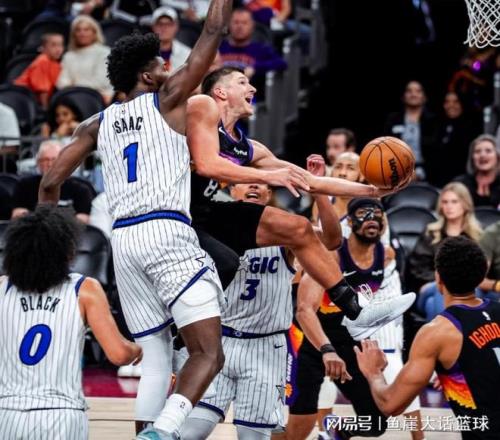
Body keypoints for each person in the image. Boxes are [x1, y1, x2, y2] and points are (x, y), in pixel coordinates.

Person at [36, 1, 298, 437]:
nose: (169, 68)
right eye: (162, 64)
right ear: (147, 76)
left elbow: (49, 182)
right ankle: (164, 432)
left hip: (123, 242)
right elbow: (212, 33)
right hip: (165, 231)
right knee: (209, 353)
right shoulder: (169, 98)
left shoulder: (94, 124)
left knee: (156, 360)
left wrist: (47, 249)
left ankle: (147, 433)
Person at [187, 65, 415, 343]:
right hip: (173, 214)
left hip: (203, 213)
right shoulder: (200, 113)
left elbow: (311, 181)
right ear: (221, 92)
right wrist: (269, 176)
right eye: (242, 82)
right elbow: (207, 164)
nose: (253, 88)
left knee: (299, 227)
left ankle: (355, 311)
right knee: (227, 263)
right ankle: (182, 327)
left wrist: (373, 191)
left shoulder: (248, 147)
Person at [180, 155, 342, 440]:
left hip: (265, 346)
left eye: (260, 182)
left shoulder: (287, 232)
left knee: (252, 435)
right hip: (218, 340)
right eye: (247, 180)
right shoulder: (212, 228)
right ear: (233, 188)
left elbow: (331, 240)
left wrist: (318, 191)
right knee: (191, 431)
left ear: (269, 191)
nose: (254, 186)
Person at [0, 205, 142, 439]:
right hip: (62, 416)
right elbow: (119, 355)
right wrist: (137, 349)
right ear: (67, 251)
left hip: (7, 414)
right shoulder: (85, 289)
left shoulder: (3, 288)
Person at [284, 198, 417, 440]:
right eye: (364, 213)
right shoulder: (332, 255)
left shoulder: (386, 255)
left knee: (376, 422)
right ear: (350, 221)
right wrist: (326, 350)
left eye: (377, 213)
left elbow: (374, 306)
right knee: (298, 431)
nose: (372, 218)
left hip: (348, 342)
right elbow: (304, 311)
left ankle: (335, 431)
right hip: (311, 341)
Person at [355, 236, 500, 440]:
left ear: (438, 278)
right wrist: (460, 371)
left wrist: (374, 373)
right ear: (482, 273)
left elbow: (390, 404)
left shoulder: (437, 333)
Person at [406, 182, 483, 321]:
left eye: (454, 202)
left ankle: (442, 332)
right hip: (432, 286)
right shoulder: (431, 233)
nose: (449, 206)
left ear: (465, 204)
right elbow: (418, 268)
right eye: (445, 202)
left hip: (468, 289)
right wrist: (441, 280)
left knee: (431, 305)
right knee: (442, 287)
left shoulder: (477, 236)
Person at [13, 140, 94, 223]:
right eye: (45, 160)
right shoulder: (24, 185)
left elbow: (84, 218)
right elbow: (17, 213)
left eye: (54, 159)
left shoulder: (81, 189)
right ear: (38, 163)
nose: (50, 164)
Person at [383, 80, 437, 180]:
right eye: (409, 91)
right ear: (403, 96)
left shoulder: (434, 121)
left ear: (424, 97)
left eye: (418, 91)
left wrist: (420, 173)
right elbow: (385, 147)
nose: (413, 94)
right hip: (395, 170)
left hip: (428, 174)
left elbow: (437, 152)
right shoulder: (393, 119)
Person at [219, 8, 287, 83]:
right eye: (236, 22)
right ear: (229, 25)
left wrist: (255, 67)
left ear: (252, 26)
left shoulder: (261, 49)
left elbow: (281, 63)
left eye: (244, 23)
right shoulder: (219, 48)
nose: (239, 27)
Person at [56, 15, 114, 104]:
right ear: (73, 34)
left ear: (94, 33)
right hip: (72, 99)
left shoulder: (104, 52)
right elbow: (61, 82)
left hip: (99, 99)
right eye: (78, 30)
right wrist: (74, 89)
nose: (82, 33)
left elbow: (101, 81)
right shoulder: (68, 56)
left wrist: (74, 86)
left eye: (86, 30)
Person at [427, 91, 481, 187]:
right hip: (436, 181)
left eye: (456, 102)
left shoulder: (471, 127)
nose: (451, 105)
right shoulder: (436, 125)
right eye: (447, 102)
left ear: (462, 104)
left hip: (462, 181)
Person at [14, 33, 64, 109]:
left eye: (60, 45)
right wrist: (46, 110)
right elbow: (43, 91)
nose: (58, 49)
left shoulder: (55, 63)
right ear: (44, 48)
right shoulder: (43, 61)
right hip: (20, 96)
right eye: (53, 45)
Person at [453, 134, 500, 208]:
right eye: (477, 151)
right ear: (472, 158)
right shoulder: (460, 184)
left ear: (498, 157)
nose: (482, 155)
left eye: (488, 151)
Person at [151, 6, 192, 71]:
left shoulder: (187, 54)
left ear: (176, 26)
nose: (164, 28)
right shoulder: (143, 54)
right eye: (160, 24)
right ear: (153, 27)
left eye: (169, 24)